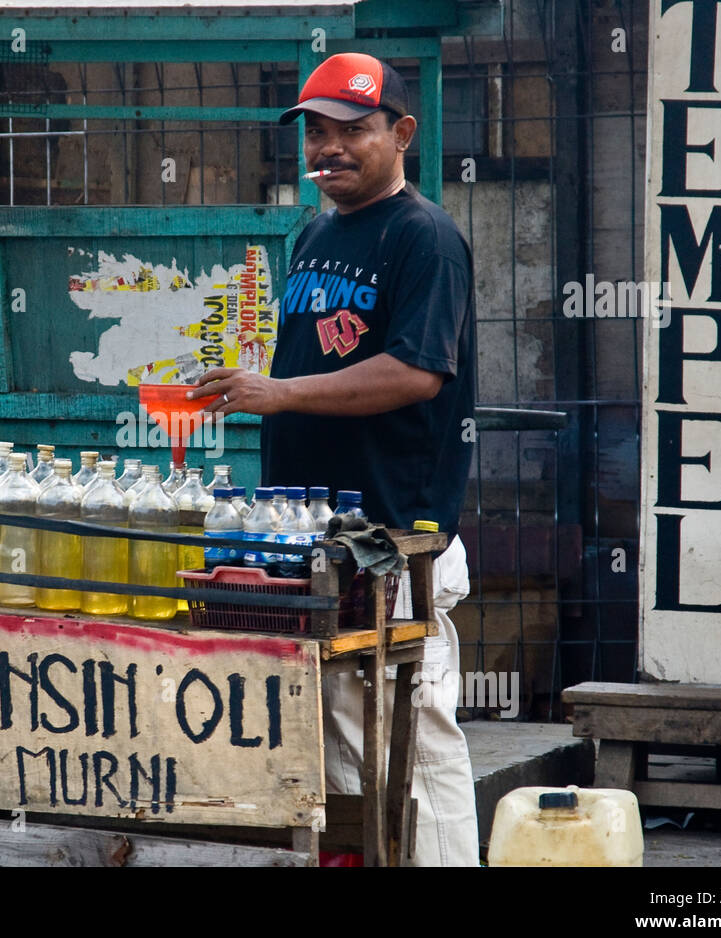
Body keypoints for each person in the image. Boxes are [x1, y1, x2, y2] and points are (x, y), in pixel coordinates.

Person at [187, 52, 479, 866]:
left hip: (394, 537)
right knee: (338, 748)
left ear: (402, 133)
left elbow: (417, 372)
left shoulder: (426, 237)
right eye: (317, 131)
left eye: (353, 129)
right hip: (315, 543)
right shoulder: (313, 232)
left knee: (412, 747)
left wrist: (277, 394)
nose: (331, 147)